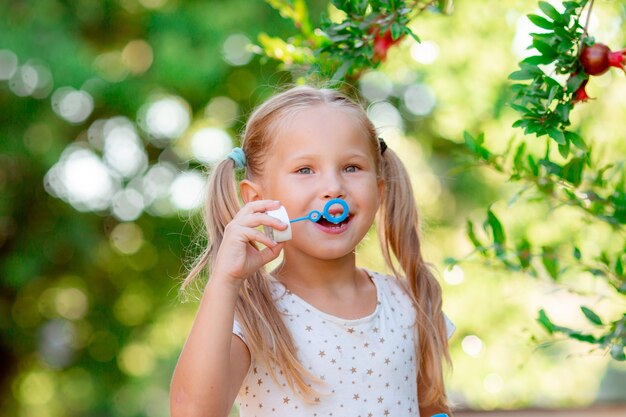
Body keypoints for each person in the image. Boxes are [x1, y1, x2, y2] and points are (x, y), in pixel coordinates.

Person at [170, 86, 454, 417]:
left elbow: (433, 410)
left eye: (351, 167)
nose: (334, 187)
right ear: (256, 199)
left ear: (378, 189)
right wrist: (225, 280)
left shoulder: (411, 302)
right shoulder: (253, 316)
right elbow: (192, 412)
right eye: (305, 170)